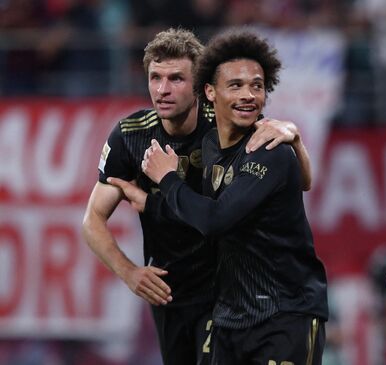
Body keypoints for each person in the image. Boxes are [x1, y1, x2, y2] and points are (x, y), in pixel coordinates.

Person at [81, 28, 313, 365]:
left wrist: (294, 135)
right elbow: (92, 220)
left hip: (224, 291)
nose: (163, 90)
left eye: (176, 78)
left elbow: (298, 180)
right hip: (168, 292)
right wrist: (129, 272)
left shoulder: (225, 123)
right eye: (155, 77)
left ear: (200, 86)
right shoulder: (131, 136)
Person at [140, 29, 329, 365]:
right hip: (231, 318)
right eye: (236, 85)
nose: (249, 95)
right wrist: (148, 202)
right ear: (210, 92)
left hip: (285, 315)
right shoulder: (210, 145)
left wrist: (167, 179)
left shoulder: (269, 149)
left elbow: (215, 219)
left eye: (257, 85)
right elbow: (200, 211)